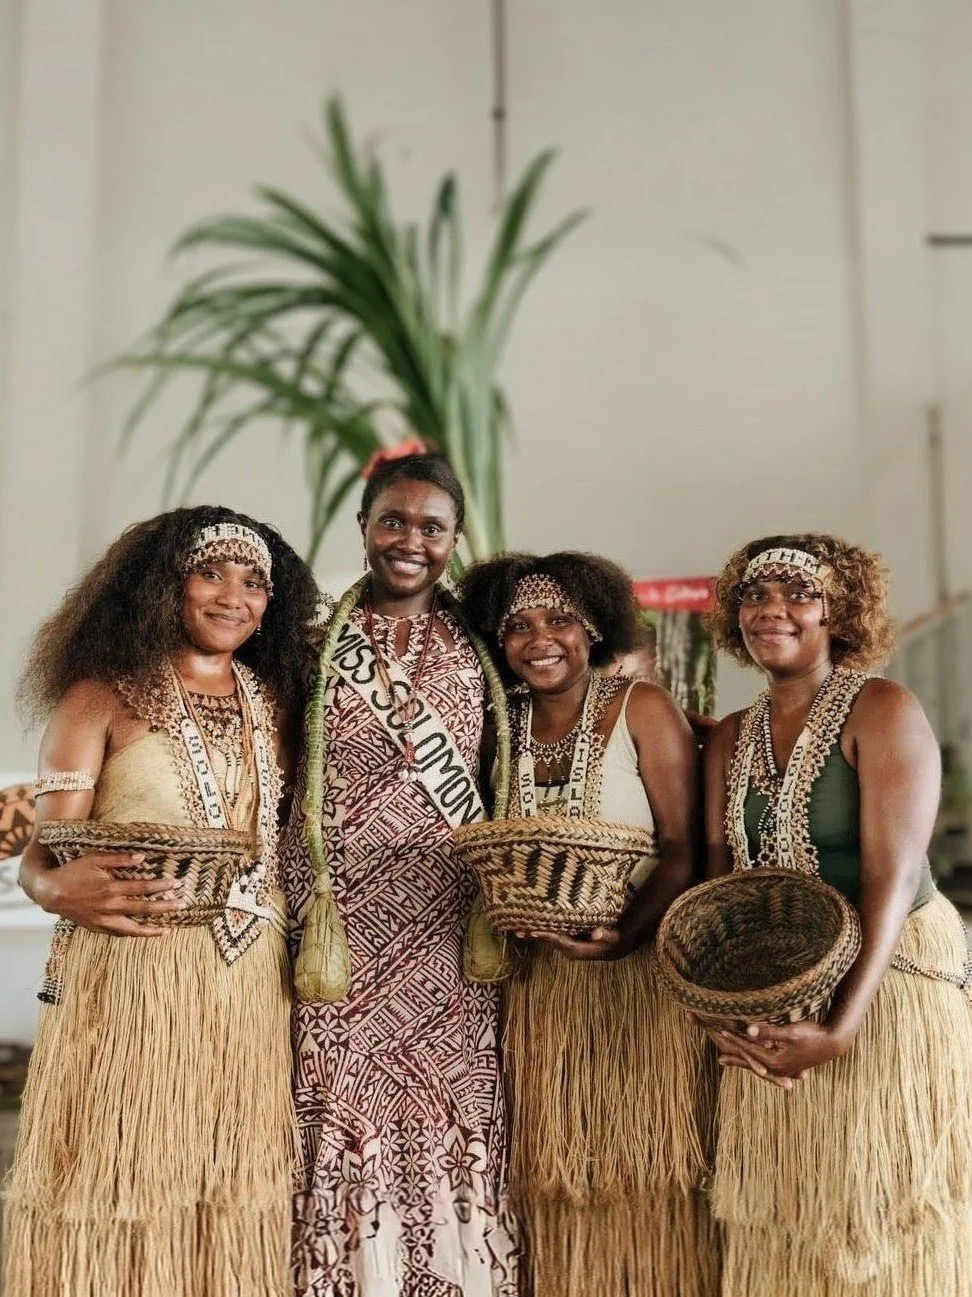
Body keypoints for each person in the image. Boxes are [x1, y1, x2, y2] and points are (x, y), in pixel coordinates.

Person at [5, 505, 319, 1297]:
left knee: (233, 1182)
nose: (232, 597)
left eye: (254, 583)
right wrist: (43, 884)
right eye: (210, 572)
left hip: (249, 986)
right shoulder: (99, 696)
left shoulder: (279, 702)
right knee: (123, 1175)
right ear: (162, 586)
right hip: (130, 978)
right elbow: (46, 853)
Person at [703, 534, 972, 1297]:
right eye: (755, 594)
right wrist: (717, 1009)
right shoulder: (730, 736)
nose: (772, 609)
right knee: (785, 1216)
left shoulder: (882, 707)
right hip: (779, 977)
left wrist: (843, 1026)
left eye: (799, 593)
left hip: (893, 977)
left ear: (838, 611)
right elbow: (722, 886)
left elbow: (892, 876)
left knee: (881, 1211)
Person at [279, 453, 517, 1297]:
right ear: (363, 527)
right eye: (393, 520)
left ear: (455, 539)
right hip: (339, 927)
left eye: (431, 525)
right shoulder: (308, 645)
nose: (409, 540)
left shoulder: (489, 644)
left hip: (451, 927)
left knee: (457, 1109)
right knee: (339, 1106)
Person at [459, 552, 718, 1297]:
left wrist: (623, 936)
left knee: (648, 1169)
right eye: (518, 625)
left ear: (595, 627)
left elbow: (683, 851)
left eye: (560, 619)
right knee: (556, 1174)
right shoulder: (500, 726)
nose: (540, 638)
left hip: (640, 982)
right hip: (541, 990)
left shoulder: (641, 705)